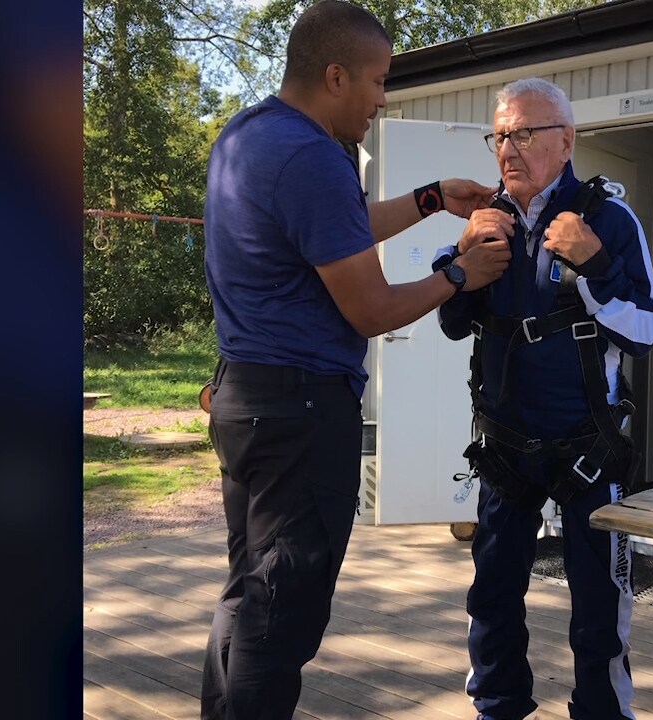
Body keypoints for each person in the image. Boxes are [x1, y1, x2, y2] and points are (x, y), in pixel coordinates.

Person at [199, 2, 512, 719]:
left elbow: (333, 228)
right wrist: (461, 275)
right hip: (301, 413)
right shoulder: (310, 155)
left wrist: (431, 200)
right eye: (376, 81)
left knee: (250, 595)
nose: (382, 98)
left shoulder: (250, 136)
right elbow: (369, 311)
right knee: (280, 617)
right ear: (335, 75)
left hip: (247, 401)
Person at [435, 78, 653, 720]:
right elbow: (454, 326)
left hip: (589, 449)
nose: (509, 147)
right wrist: (459, 263)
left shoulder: (611, 221)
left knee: (600, 605)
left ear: (566, 142)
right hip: (504, 447)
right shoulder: (487, 223)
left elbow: (647, 332)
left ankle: (600, 712)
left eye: (525, 132)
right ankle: (498, 707)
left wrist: (595, 266)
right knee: (492, 598)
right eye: (500, 134)